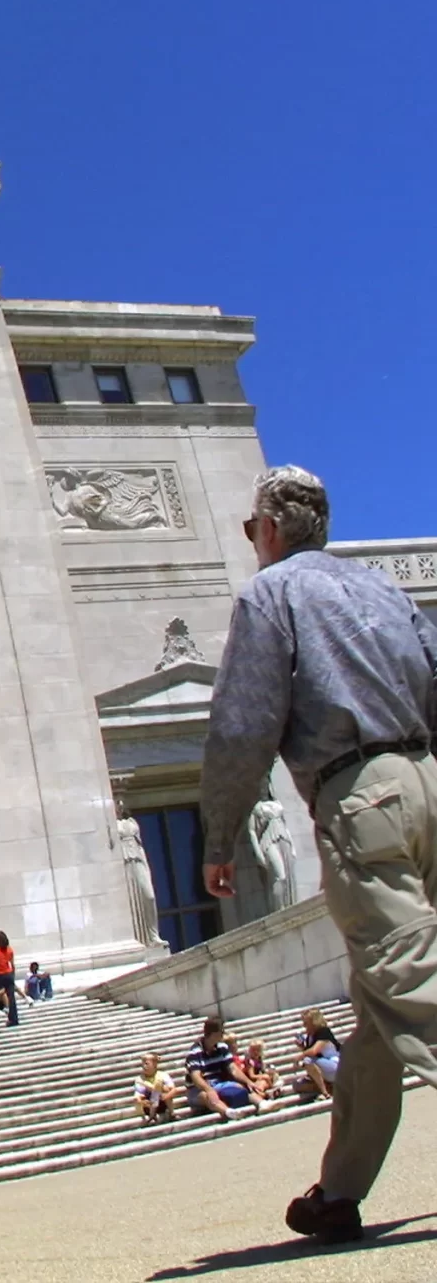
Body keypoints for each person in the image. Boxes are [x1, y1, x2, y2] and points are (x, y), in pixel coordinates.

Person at [199, 466, 437, 1245]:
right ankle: (337, 1194)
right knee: (378, 1010)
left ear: (268, 528)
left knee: (408, 975)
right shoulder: (383, 591)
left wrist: (219, 834)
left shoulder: (270, 596)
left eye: (248, 529)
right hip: (429, 779)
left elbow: (244, 724)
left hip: (360, 796)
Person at [183, 1015, 256, 1120]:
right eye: (222, 1031)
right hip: (197, 1090)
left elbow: (233, 1069)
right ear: (213, 1034)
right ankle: (228, 1112)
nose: (223, 1034)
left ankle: (262, 1104)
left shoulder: (222, 1047)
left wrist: (249, 1082)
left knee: (243, 1087)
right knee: (206, 1095)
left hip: (218, 1083)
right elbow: (196, 1078)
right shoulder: (194, 1052)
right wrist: (209, 1089)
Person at [0, 932, 21, 1028]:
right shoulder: (9, 949)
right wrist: (12, 976)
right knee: (12, 998)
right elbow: (13, 965)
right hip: (9, 974)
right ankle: (14, 1019)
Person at [135, 1053, 180, 1123]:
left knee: (164, 1087)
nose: (144, 1066)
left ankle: (172, 1113)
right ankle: (151, 1115)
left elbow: (174, 1090)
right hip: (149, 1105)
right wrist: (142, 1101)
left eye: (146, 1064)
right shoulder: (140, 1079)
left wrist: (166, 1096)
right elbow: (137, 1095)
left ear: (155, 1064)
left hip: (162, 1102)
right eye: (142, 1064)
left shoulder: (163, 1075)